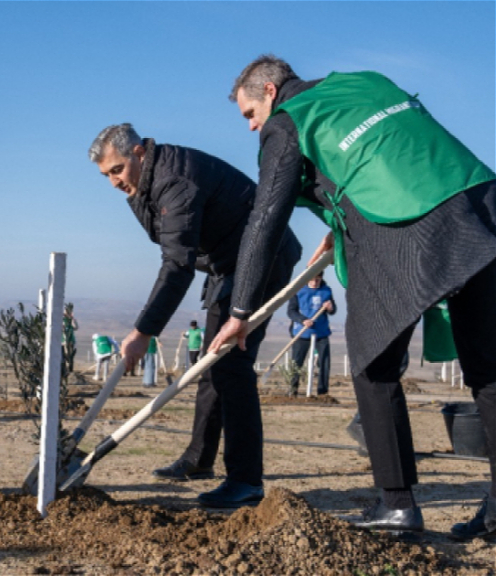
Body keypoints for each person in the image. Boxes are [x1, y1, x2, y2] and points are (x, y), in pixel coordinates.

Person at [212, 54, 496, 537]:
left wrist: (240, 310)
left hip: (409, 231)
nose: (251, 126)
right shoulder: (364, 83)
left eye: (249, 114)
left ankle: (398, 504)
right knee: (490, 368)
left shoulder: (287, 121)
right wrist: (340, 221)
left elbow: (266, 218)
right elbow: (384, 156)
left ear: (271, 92)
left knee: (370, 364)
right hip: (480, 204)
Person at [89, 123, 301, 506]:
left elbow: (176, 264)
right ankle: (198, 458)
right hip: (227, 263)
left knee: (231, 365)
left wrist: (144, 331)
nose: (113, 183)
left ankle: (246, 481)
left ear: (139, 153)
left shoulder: (176, 181)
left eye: (117, 170)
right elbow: (171, 243)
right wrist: (133, 191)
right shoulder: (144, 184)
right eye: (105, 176)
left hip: (263, 259)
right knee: (210, 363)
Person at [285, 272, 336, 396]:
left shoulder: (326, 291)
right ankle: (292, 390)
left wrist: (330, 307)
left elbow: (333, 310)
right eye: (312, 280)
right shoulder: (297, 290)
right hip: (301, 333)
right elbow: (291, 311)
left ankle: (322, 393)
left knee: (324, 362)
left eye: (318, 280)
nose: (315, 283)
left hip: (321, 334)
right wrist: (303, 320)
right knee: (297, 363)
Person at [62, 305, 79, 373]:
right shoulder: (62, 320)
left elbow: (76, 327)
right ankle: (65, 369)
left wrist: (72, 320)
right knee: (64, 355)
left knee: (71, 356)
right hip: (63, 341)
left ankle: (70, 369)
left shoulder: (71, 320)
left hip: (71, 341)